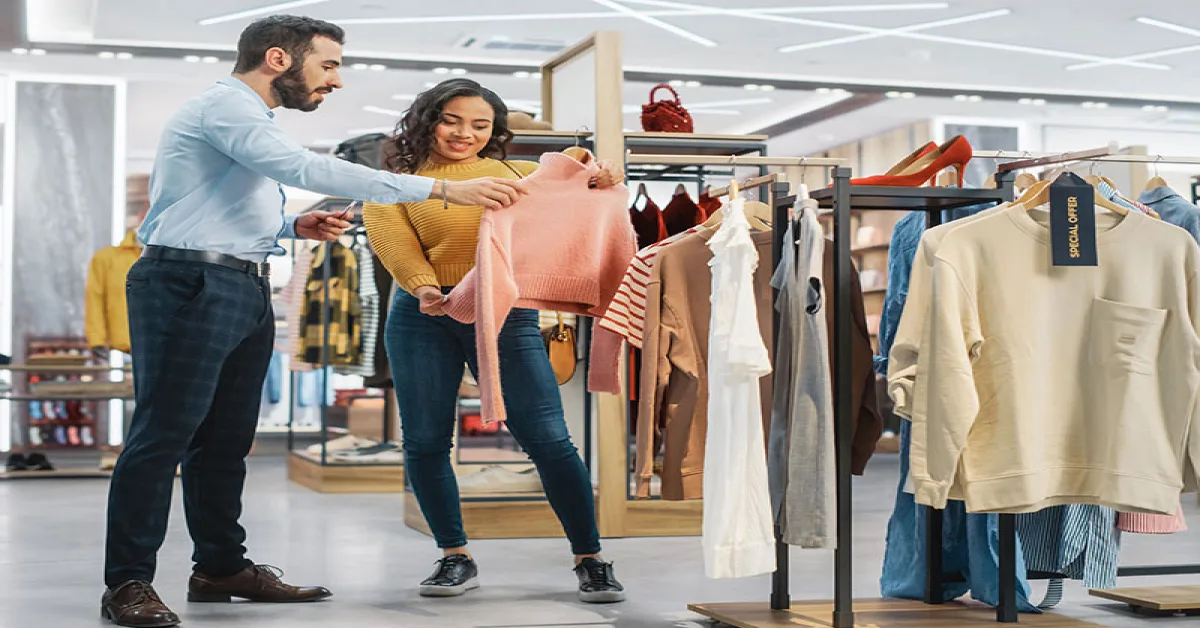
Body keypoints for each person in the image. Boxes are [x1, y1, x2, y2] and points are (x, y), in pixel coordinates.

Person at [101, 16, 526, 628]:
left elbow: (205, 205)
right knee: (163, 435)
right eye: (328, 65)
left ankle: (221, 566)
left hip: (238, 278)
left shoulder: (244, 118)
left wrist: (286, 227)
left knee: (225, 441)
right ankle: (127, 584)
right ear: (279, 58)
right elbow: (300, 168)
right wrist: (435, 191)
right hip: (188, 281)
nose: (336, 80)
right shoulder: (226, 108)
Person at [363, 79, 627, 603]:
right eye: (452, 120)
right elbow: (391, 239)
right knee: (425, 441)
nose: (465, 134)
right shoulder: (400, 180)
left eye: (480, 125)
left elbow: (571, 185)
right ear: (427, 119)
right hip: (422, 314)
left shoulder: (517, 175)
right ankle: (453, 555)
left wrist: (597, 176)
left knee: (549, 439)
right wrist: (425, 289)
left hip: (507, 315)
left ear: (495, 130)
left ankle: (591, 559)